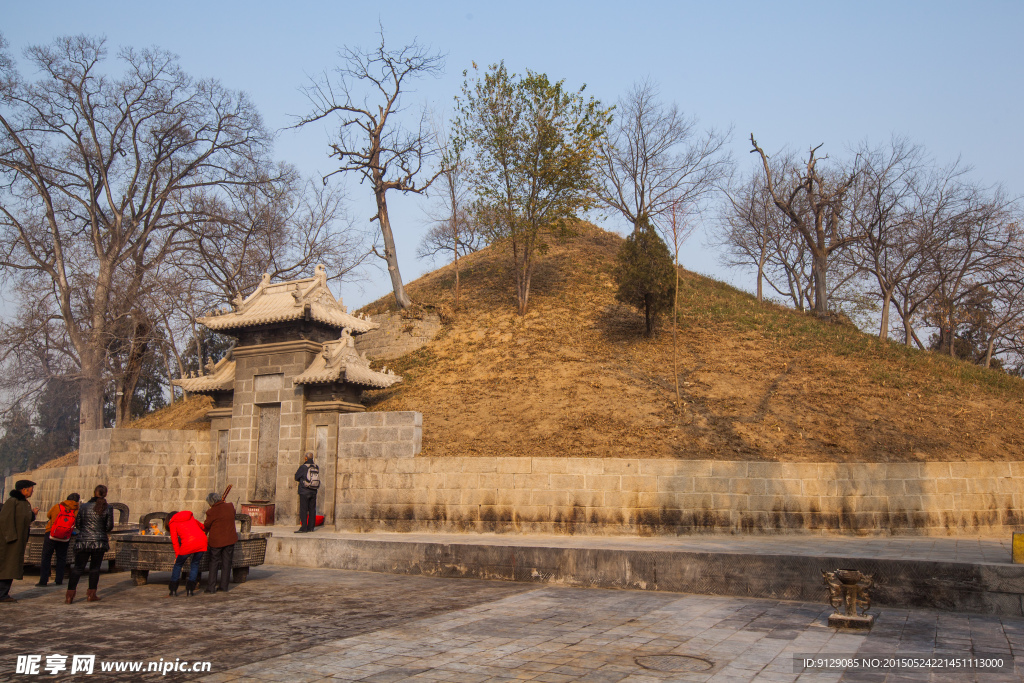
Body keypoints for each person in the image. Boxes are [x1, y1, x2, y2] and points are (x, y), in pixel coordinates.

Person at [66, 484, 113, 604]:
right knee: (95, 569)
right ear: (105, 494)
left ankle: (70, 595)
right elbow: (109, 526)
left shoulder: (84, 506)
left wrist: (85, 531)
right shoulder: (108, 508)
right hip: (99, 542)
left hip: (83, 541)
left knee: (77, 568)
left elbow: (78, 523)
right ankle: (91, 594)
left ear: (94, 493)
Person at [0, 479, 39, 603]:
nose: (32, 491)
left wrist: (33, 515)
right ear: (25, 489)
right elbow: (5, 519)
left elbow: (23, 520)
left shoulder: (24, 503)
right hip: (10, 542)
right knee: (7, 567)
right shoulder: (12, 502)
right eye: (31, 488)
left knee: (11, 568)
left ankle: (4, 593)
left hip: (17, 542)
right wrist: (11, 537)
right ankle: (2, 594)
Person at [38, 492, 80, 587]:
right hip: (65, 536)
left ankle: (43, 581)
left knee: (46, 557)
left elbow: (48, 515)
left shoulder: (58, 506)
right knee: (61, 557)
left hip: (51, 533)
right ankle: (59, 580)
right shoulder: (76, 510)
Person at [167, 509, 208, 597]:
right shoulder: (190, 518)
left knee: (178, 565)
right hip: (202, 541)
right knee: (195, 564)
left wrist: (177, 555)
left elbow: (175, 541)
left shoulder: (173, 523)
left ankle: (173, 590)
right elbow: (203, 527)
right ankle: (190, 590)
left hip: (188, 543)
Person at [202, 492, 237, 594]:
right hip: (230, 539)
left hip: (217, 541)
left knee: (214, 563)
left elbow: (207, 525)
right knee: (227, 563)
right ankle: (224, 586)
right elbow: (233, 514)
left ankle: (211, 587)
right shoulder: (230, 506)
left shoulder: (211, 511)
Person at [293, 451, 320, 533]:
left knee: (304, 509)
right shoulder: (316, 467)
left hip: (304, 491)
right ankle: (311, 527)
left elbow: (296, 477)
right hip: (313, 491)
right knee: (312, 509)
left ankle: (304, 527)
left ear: (305, 458)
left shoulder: (303, 467)